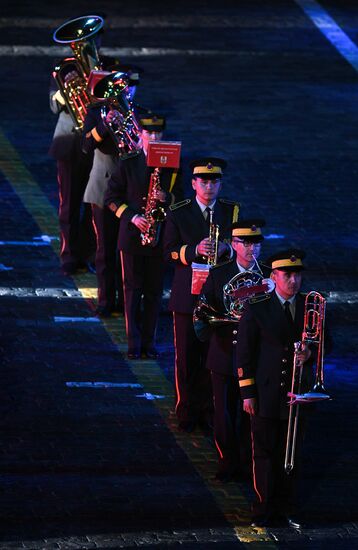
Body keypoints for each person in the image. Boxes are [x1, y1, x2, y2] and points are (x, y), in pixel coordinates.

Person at [236, 249, 316, 528]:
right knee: (264, 452)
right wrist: (248, 393)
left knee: (291, 451)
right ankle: (262, 507)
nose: (294, 281)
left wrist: (311, 353)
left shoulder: (310, 306)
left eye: (297, 275)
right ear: (273, 277)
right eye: (287, 275)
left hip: (297, 392)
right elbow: (245, 353)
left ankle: (286, 506)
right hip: (267, 392)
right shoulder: (257, 306)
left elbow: (324, 342)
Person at [163, 158, 240, 433]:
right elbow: (168, 251)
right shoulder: (179, 211)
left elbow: (240, 247)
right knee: (185, 357)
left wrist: (227, 251)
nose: (209, 187)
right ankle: (186, 410)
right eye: (204, 182)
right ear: (194, 184)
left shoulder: (231, 211)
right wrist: (193, 249)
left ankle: (210, 410)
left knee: (214, 356)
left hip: (219, 297)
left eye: (214, 182)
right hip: (187, 295)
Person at [104, 113, 183, 359]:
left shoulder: (172, 165)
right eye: (149, 133)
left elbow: (182, 199)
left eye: (158, 133)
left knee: (153, 293)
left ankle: (149, 344)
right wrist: (133, 217)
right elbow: (111, 199)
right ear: (140, 135)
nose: (154, 137)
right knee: (131, 292)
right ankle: (133, 344)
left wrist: (167, 199)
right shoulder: (128, 162)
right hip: (131, 237)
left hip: (159, 238)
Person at [198, 219, 271, 481]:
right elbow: (204, 310)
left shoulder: (269, 274)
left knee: (252, 411)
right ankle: (227, 461)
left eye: (256, 244)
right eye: (246, 243)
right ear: (234, 245)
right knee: (224, 412)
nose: (252, 249)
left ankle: (248, 460)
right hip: (225, 351)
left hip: (258, 356)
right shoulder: (219, 274)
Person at [81, 70, 141, 316]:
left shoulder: (136, 113)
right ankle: (106, 301)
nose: (123, 94)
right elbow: (86, 145)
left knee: (127, 250)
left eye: (125, 89)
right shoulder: (96, 113)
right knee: (105, 249)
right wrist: (105, 125)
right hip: (103, 186)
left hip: (130, 190)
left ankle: (128, 301)